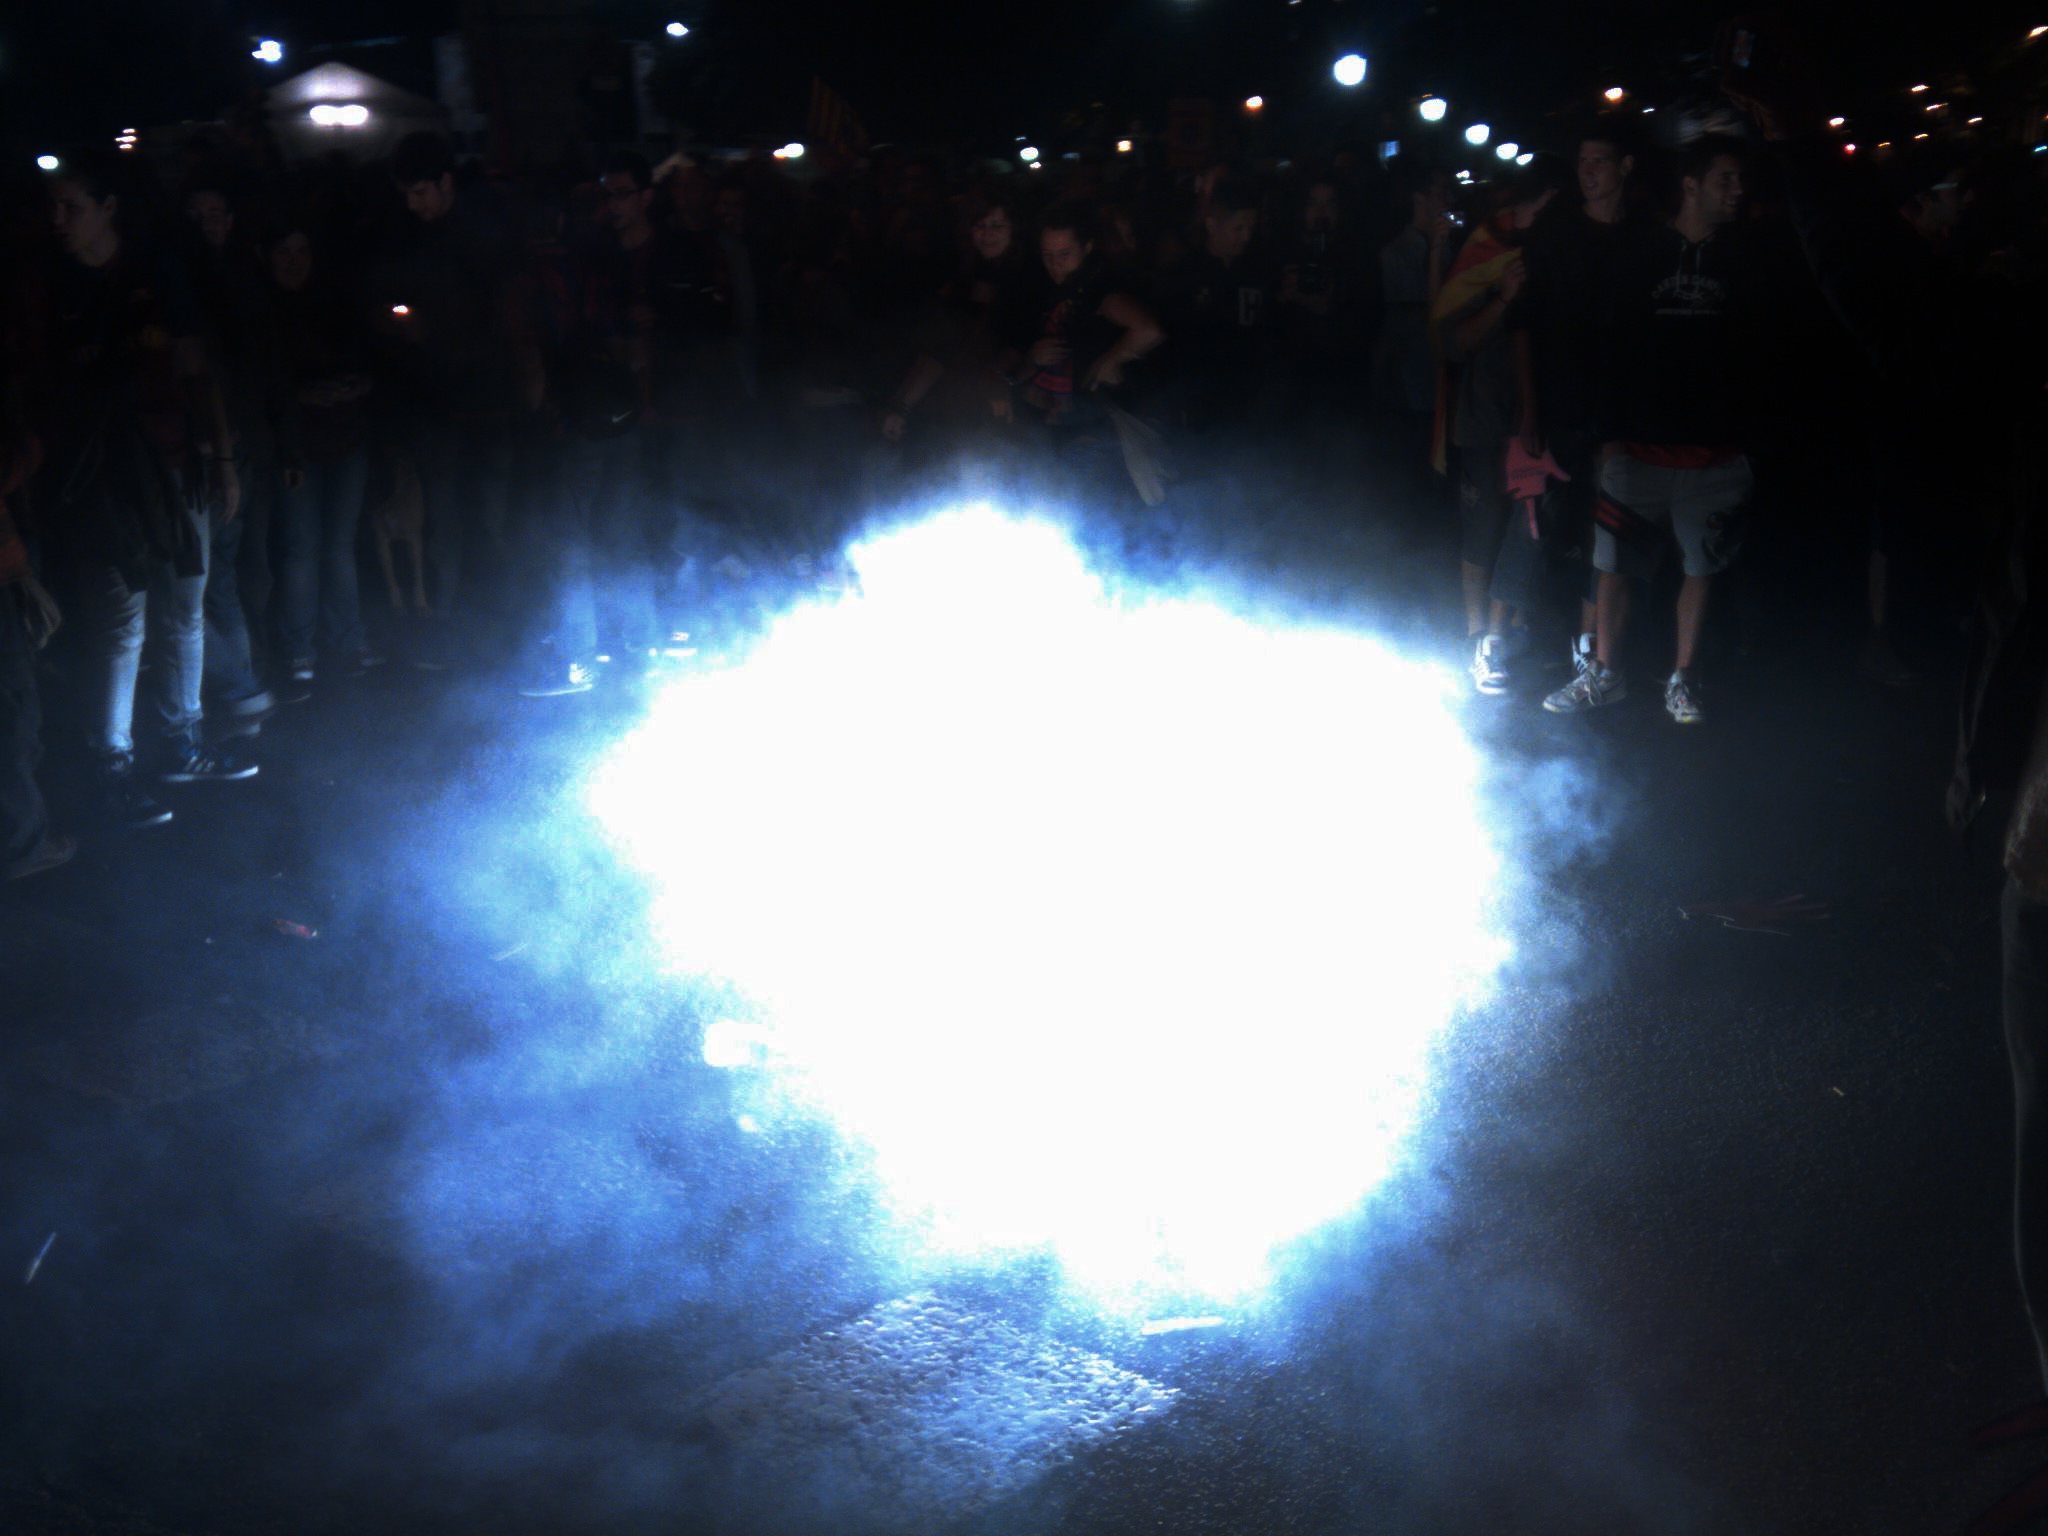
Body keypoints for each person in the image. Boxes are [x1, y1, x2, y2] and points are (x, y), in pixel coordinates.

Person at [39, 150, 255, 822]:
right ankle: (112, 765)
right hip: (101, 476)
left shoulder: (154, 272)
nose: (60, 220)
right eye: (55, 206)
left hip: (171, 462)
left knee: (185, 606)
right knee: (121, 622)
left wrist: (220, 457)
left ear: (108, 208)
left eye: (72, 205)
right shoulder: (47, 288)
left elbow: (195, 367)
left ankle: (180, 740)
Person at [1543, 136, 1761, 724]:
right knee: (1612, 564)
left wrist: (1748, 437)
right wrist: (1607, 435)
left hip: (1713, 453)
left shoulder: (1746, 257)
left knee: (1700, 567)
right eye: (1725, 179)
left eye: (1740, 180)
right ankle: (1605, 674)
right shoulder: (1643, 253)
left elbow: (1763, 351)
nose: (1738, 191)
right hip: (1636, 448)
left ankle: (1682, 678)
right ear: (1691, 186)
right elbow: (1611, 345)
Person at [368, 132, 539, 664]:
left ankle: (495, 629)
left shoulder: (481, 239)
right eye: (406, 194)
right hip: (439, 404)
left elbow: (509, 317)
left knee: (485, 519)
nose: (413, 203)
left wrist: (524, 378)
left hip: (483, 404)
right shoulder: (414, 237)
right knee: (444, 520)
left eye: (421, 191)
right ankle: (454, 629)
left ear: (446, 182)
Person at [1433, 159, 1570, 693]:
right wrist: (1505, 301)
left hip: (1538, 417)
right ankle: (1478, 642)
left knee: (1528, 530)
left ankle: (1508, 630)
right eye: (1543, 209)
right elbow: (1453, 341)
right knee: (1484, 528)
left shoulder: (1558, 256)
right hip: (1486, 417)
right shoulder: (1487, 256)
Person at [1508, 129, 1639, 680]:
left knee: (1606, 531)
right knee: (1539, 520)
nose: (1589, 171)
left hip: (1619, 408)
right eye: (1583, 161)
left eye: (1600, 159)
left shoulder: (1644, 235)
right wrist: (1531, 406)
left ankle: (1589, 645)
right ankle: (1502, 633)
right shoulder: (1554, 233)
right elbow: (1523, 325)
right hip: (1562, 402)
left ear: (1624, 165)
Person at [264, 215, 379, 694]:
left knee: (337, 545)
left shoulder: (333, 305)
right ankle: (299, 651)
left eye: (301, 252)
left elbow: (369, 361)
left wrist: (353, 385)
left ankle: (347, 641)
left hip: (344, 436)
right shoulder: (264, 311)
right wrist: (303, 396)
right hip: (297, 445)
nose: (294, 262)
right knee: (301, 548)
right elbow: (263, 380)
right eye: (284, 252)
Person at [998, 202, 1166, 510]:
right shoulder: (1045, 293)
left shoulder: (1096, 288)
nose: (1055, 264)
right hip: (1050, 429)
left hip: (1093, 430)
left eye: (1064, 254)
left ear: (1087, 248)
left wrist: (1111, 359)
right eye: (1048, 255)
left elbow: (1148, 330)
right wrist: (1033, 359)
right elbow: (1012, 367)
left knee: (1091, 515)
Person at [1367, 160, 1452, 534]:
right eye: (1440, 192)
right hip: (1412, 376)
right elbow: (1401, 319)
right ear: (1421, 198)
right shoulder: (1396, 253)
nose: (1447, 200)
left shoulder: (1447, 249)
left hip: (1440, 375)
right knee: (1411, 460)